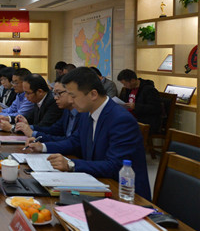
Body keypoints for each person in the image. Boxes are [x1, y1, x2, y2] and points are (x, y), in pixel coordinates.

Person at [26, 67, 151, 200]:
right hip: (97, 183)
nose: (70, 101)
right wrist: (43, 147)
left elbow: (115, 166)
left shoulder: (121, 120)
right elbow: (74, 142)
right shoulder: (86, 114)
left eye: (73, 96)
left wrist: (71, 164)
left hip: (125, 195)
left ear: (93, 94)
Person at [20, 76, 84, 141]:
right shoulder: (67, 111)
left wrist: (36, 137)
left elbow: (72, 142)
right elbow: (54, 129)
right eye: (55, 93)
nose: (55, 97)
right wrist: (29, 128)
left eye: (59, 93)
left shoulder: (83, 115)